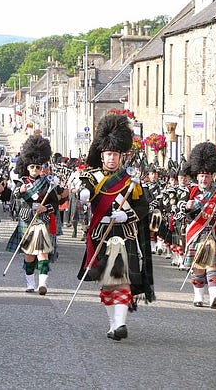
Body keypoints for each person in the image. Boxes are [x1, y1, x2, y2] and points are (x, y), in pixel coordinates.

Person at [77, 114, 152, 341]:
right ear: (102, 155)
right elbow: (85, 191)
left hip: (125, 233)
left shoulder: (130, 180)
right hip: (102, 234)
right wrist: (84, 194)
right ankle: (112, 323)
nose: (112, 158)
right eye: (108, 154)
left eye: (115, 154)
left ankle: (120, 324)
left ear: (121, 156)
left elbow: (143, 207)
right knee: (108, 283)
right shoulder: (92, 176)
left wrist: (126, 215)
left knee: (124, 280)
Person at [6, 135, 59, 294]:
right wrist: (20, 192)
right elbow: (14, 196)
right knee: (29, 254)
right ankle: (30, 284)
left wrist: (46, 208)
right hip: (27, 218)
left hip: (42, 220)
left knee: (43, 253)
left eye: (38, 167)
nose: (35, 170)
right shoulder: (21, 183)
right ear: (27, 167)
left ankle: (43, 284)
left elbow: (55, 204)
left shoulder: (48, 183)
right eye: (32, 167)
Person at [180, 142, 216, 309]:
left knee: (212, 263)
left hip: (213, 232)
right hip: (196, 232)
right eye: (201, 176)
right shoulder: (190, 192)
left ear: (211, 176)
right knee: (199, 266)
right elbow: (180, 211)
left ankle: (214, 296)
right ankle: (198, 297)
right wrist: (187, 207)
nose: (204, 179)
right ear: (196, 176)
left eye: (207, 176)